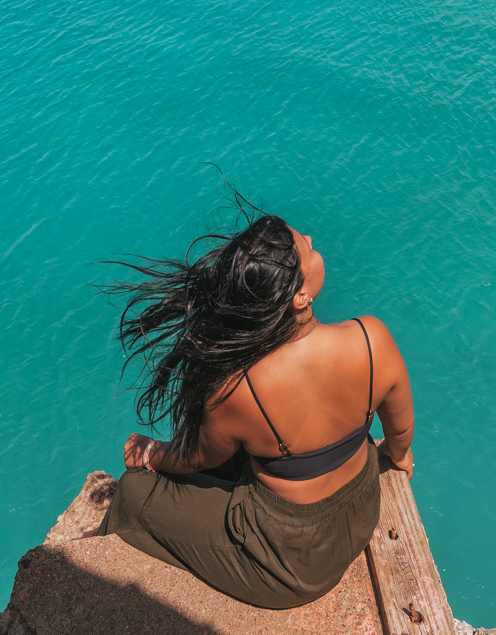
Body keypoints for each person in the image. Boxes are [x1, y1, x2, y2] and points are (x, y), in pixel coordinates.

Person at [98, 209, 415, 609]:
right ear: (300, 296)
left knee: (132, 491)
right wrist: (398, 458)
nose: (313, 241)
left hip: (291, 562)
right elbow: (401, 431)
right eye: (308, 248)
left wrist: (150, 453)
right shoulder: (372, 338)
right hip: (361, 511)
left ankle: (90, 569)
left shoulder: (237, 389)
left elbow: (194, 458)